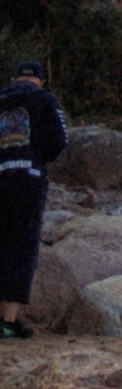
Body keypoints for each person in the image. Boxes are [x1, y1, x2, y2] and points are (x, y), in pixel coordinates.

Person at [0, 54, 68, 338]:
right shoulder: (45, 99)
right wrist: (37, 158)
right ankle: (9, 321)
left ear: (14, 79)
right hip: (30, 180)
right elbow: (59, 141)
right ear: (40, 81)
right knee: (23, 247)